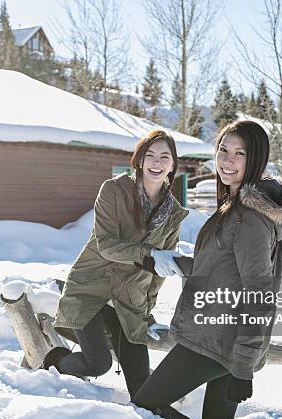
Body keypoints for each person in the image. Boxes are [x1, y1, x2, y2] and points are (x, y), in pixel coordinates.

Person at [132, 120, 282, 419]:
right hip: (225, 342)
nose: (227, 160)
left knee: (144, 406)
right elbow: (224, 267)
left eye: (240, 153)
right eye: (223, 149)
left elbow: (259, 292)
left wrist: (243, 368)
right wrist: (167, 262)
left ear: (256, 159)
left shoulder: (249, 216)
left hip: (215, 342)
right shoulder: (236, 206)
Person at [44, 129, 189, 398]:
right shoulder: (114, 190)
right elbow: (106, 244)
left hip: (128, 299)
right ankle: (55, 362)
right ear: (139, 160)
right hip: (90, 289)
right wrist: (150, 254)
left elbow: (160, 272)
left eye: (164, 157)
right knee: (98, 363)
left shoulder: (174, 213)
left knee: (142, 385)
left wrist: (147, 315)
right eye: (150, 155)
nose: (156, 162)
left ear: (173, 166)